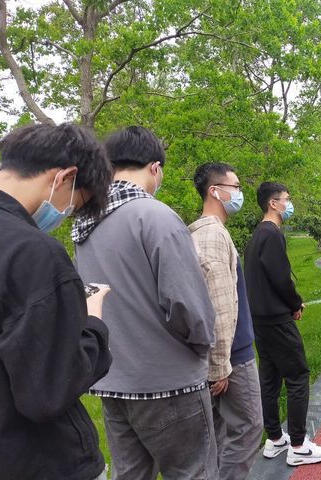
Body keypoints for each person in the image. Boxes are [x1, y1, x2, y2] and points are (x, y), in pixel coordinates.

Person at [72, 126, 219, 480]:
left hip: (113, 379)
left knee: (130, 474)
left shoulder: (86, 223)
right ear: (155, 168)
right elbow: (188, 305)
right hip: (169, 381)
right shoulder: (156, 216)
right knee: (193, 473)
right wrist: (203, 347)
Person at [0, 123, 113, 480]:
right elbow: (47, 392)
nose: (65, 214)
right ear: (65, 178)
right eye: (75, 205)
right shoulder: (32, 252)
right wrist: (93, 325)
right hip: (35, 460)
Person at [244, 182, 321, 467]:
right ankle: (298, 445)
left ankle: (275, 438)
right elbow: (281, 279)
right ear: (273, 203)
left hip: (260, 320)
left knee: (269, 377)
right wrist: (295, 304)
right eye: (286, 199)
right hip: (277, 320)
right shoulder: (271, 234)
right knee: (297, 376)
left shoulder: (257, 234)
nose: (289, 204)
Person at [189, 163, 263, 480]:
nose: (240, 193)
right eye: (235, 187)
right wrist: (219, 364)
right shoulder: (211, 235)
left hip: (226, 352)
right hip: (233, 355)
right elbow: (218, 302)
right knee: (249, 426)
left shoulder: (209, 232)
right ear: (215, 191)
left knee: (219, 431)